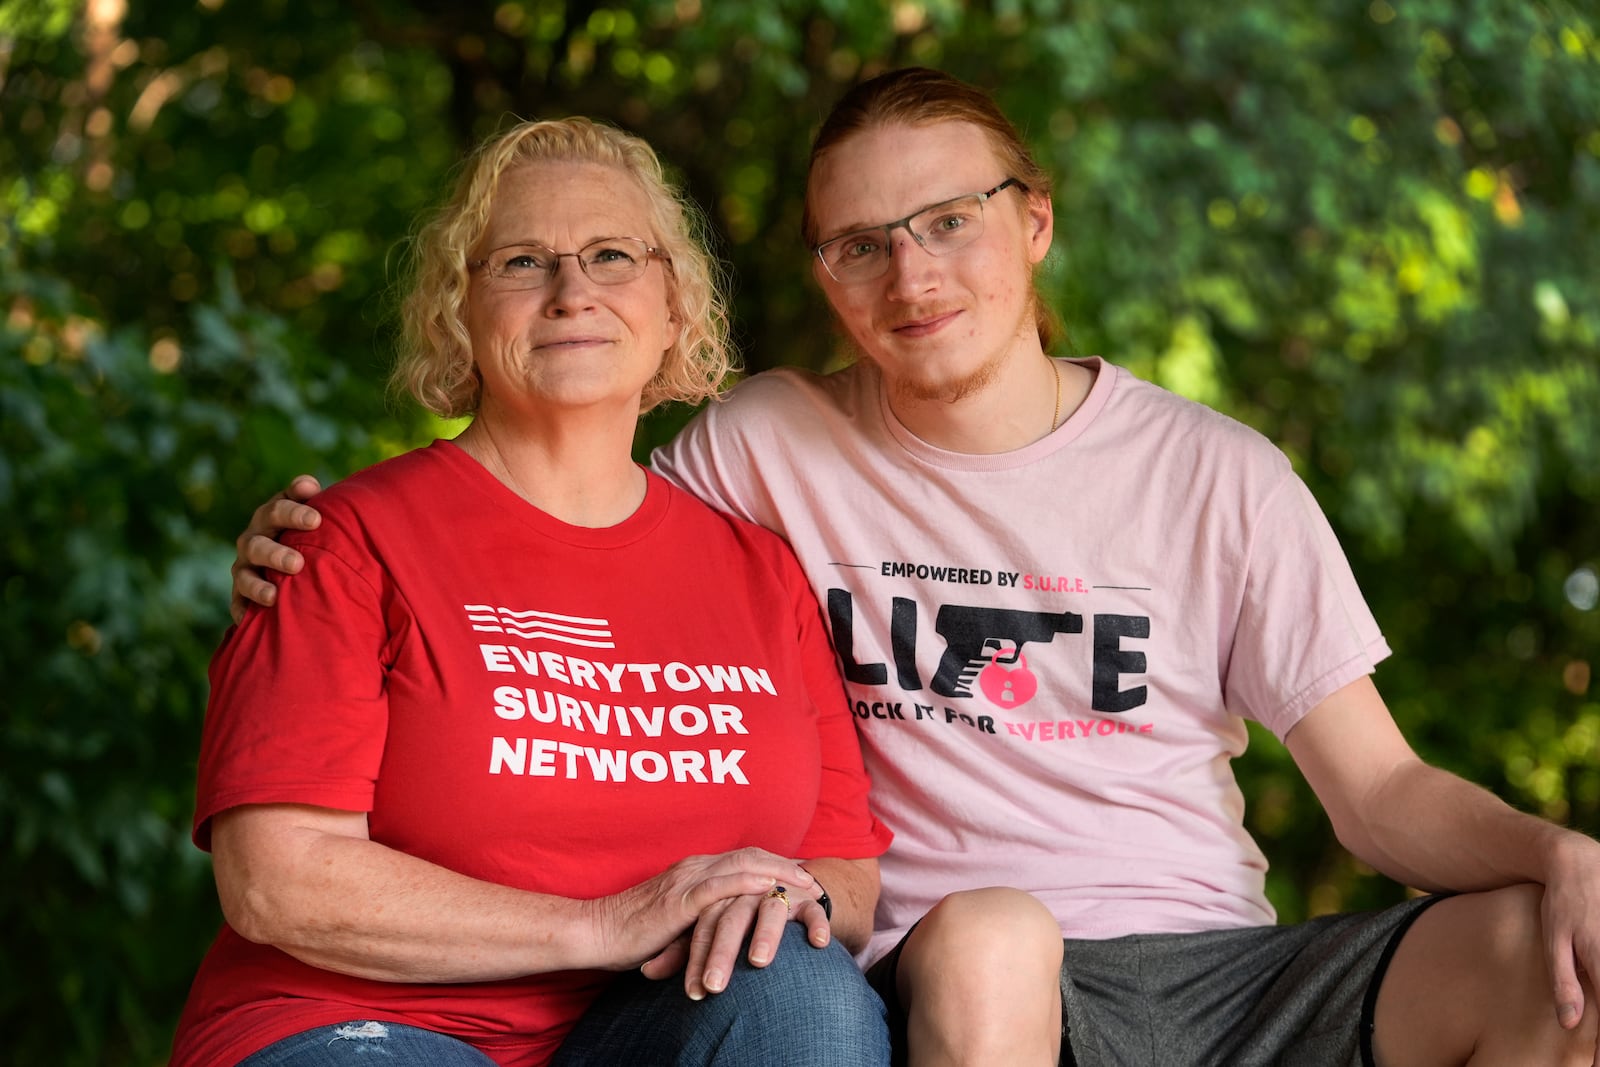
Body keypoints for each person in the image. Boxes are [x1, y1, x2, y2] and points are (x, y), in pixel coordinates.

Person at [230, 69, 1600, 1067]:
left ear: (1034, 223)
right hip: (971, 970)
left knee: (1561, 956)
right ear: (823, 278)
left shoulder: (1216, 470)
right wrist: (311, 546)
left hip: (1220, 964)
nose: (913, 273)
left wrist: (1560, 849)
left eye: (949, 221)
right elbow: (554, 505)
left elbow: (1379, 790)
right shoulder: (768, 446)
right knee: (983, 931)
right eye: (861, 244)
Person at [173, 115, 894, 1067]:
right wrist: (603, 923)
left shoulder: (762, 573)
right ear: (455, 313)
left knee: (802, 986)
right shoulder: (345, 545)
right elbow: (275, 882)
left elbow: (845, 872)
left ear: (674, 308)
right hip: (366, 1027)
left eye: (610, 255)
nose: (571, 292)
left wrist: (784, 897)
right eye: (520, 262)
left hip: (650, 1023)